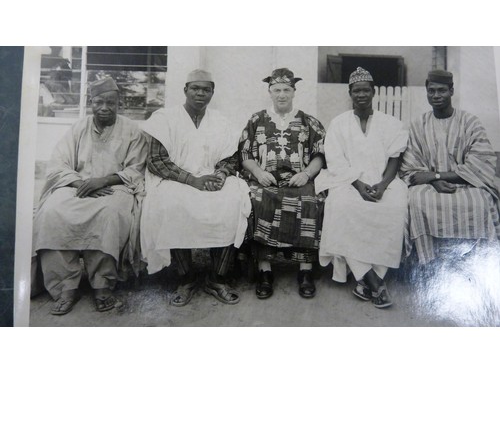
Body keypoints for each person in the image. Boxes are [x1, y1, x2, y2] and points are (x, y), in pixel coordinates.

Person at [32, 77, 148, 315]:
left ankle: (102, 285)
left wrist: (104, 180)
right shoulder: (78, 128)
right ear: (90, 102)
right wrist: (80, 182)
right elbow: (58, 164)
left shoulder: (132, 131)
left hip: (115, 187)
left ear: (120, 104)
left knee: (110, 214)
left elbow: (136, 168)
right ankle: (65, 288)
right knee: (52, 212)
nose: (104, 108)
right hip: (76, 186)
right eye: (98, 102)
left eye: (110, 103)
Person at [141, 69, 250, 306]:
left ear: (212, 92)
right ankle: (186, 279)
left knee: (232, 201)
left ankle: (217, 279)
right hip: (177, 180)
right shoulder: (165, 118)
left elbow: (231, 158)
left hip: (211, 178)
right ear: (185, 90)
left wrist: (220, 175)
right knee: (172, 204)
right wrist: (192, 181)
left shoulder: (221, 121)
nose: (200, 93)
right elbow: (157, 161)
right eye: (195, 88)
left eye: (206, 89)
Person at [315, 67, 409, 308]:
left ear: (373, 92)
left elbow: (394, 160)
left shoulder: (391, 123)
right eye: (356, 91)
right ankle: (374, 283)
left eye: (366, 90)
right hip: (347, 181)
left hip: (383, 180)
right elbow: (335, 162)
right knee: (340, 206)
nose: (361, 95)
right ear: (350, 93)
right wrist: (358, 185)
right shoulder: (339, 123)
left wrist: (382, 185)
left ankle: (369, 278)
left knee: (396, 206)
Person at [239, 68, 326, 299]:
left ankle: (305, 270)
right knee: (258, 200)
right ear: (269, 92)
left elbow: (320, 155)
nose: (281, 94)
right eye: (276, 90)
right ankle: (265, 270)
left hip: (299, 180)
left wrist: (307, 174)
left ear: (294, 92)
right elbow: (245, 154)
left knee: (309, 201)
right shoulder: (256, 120)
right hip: (265, 179)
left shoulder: (308, 121)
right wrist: (258, 172)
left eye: (286, 89)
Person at [400, 69, 500, 266]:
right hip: (430, 186)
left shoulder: (470, 122)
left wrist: (435, 175)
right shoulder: (419, 124)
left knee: (481, 202)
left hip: (467, 184)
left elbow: (480, 166)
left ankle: (476, 263)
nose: (436, 96)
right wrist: (435, 181)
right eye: (431, 91)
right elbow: (411, 168)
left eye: (442, 91)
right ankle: (427, 263)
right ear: (427, 92)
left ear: (452, 91)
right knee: (416, 201)